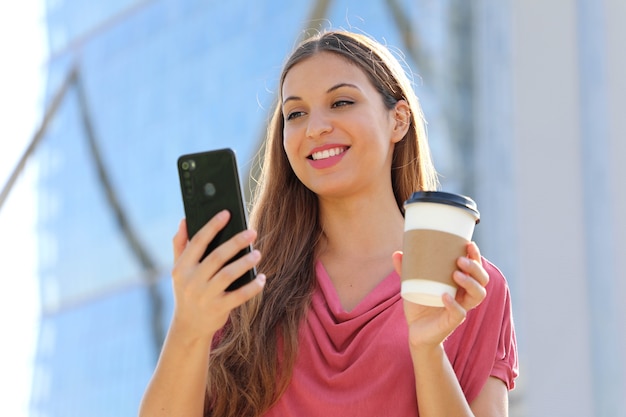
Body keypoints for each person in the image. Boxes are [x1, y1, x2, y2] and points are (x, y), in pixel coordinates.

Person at [139, 30, 518, 417]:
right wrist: (190, 326)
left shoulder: (467, 285)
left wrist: (426, 349)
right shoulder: (244, 280)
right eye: (296, 113)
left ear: (399, 120)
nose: (315, 127)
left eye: (341, 102)